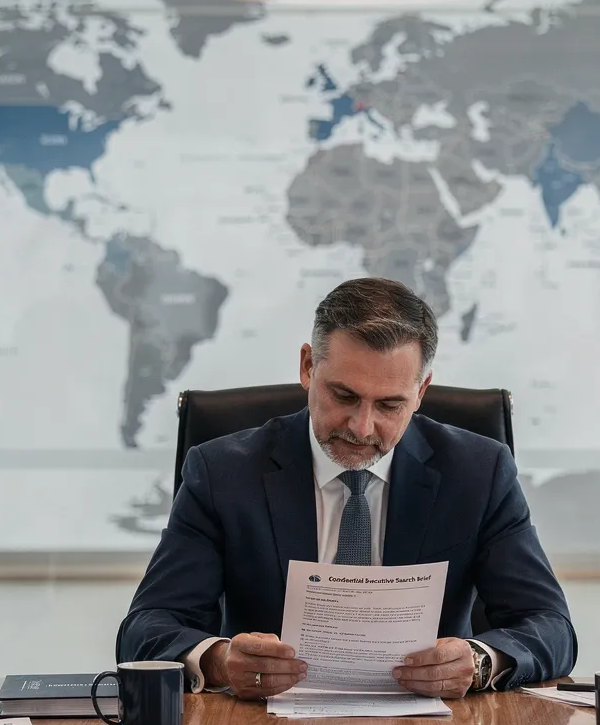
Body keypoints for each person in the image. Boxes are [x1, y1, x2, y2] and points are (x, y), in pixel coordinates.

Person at [117, 277, 576, 699]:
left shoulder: (479, 471)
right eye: (344, 396)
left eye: (390, 405)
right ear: (307, 367)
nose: (362, 426)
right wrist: (218, 661)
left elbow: (551, 626)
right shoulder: (221, 473)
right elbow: (145, 627)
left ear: (421, 392)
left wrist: (478, 661)